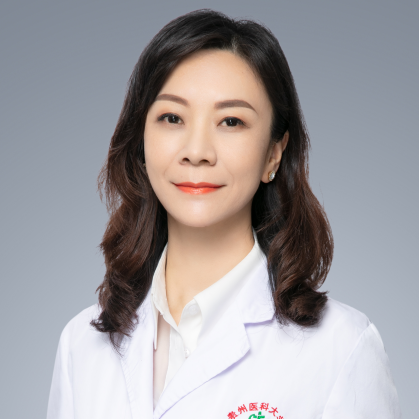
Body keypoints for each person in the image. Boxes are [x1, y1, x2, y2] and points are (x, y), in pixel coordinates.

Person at [47, 9, 401, 419]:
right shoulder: (81, 346)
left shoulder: (341, 348)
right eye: (172, 118)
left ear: (274, 153)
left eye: (231, 121)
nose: (197, 151)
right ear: (141, 141)